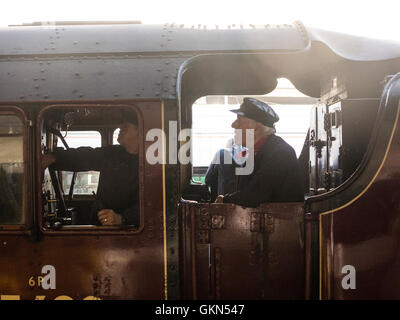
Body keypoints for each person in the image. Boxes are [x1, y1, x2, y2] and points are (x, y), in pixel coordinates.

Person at [41, 111, 139, 226]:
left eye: (126, 126)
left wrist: (122, 219)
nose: (120, 127)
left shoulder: (150, 164)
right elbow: (86, 156)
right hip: (100, 225)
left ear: (141, 132)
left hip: (130, 232)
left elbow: (152, 203)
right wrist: (55, 158)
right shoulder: (114, 153)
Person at [215, 97, 304, 207]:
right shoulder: (253, 153)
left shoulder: (280, 153)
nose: (233, 125)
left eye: (239, 120)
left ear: (255, 128)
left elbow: (255, 195)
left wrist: (224, 200)